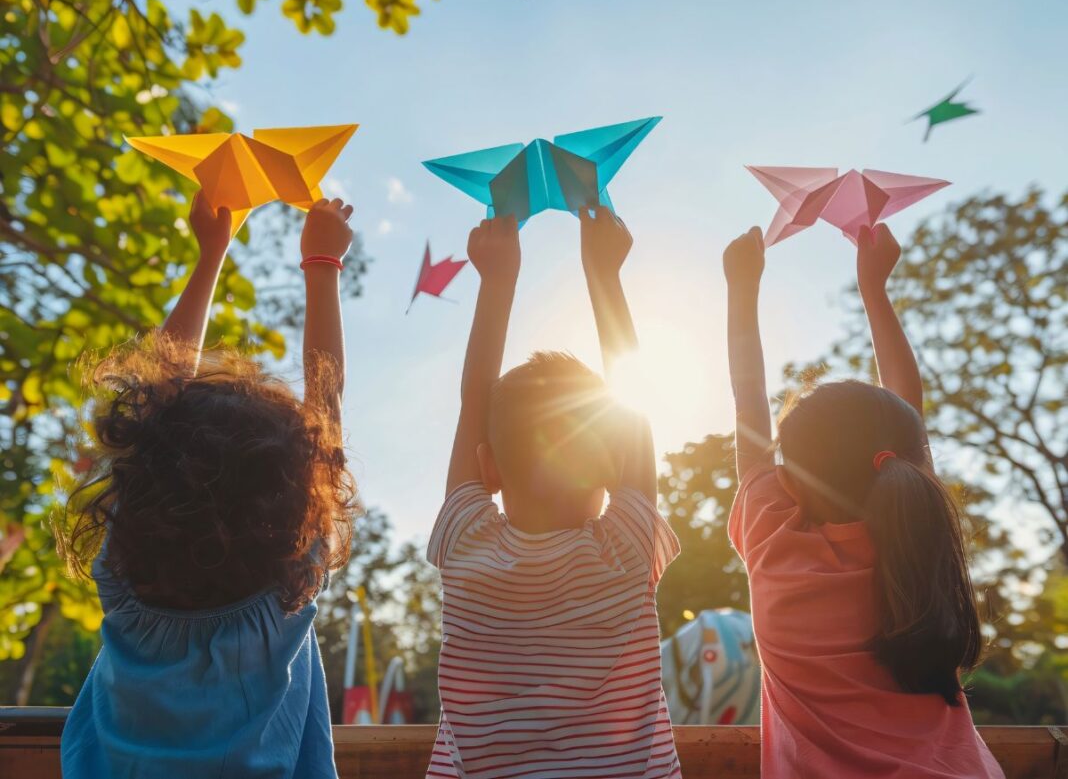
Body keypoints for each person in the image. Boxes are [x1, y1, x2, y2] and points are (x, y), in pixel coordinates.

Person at [57, 194, 359, 779]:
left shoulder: (120, 579)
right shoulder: (284, 593)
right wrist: (322, 265)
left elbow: (154, 397)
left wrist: (210, 254)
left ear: (146, 476)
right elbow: (328, 409)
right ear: (297, 491)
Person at [722, 223, 1004, 778]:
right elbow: (905, 422)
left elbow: (748, 402)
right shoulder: (920, 542)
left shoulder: (775, 547)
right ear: (903, 458)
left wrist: (742, 289)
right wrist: (874, 287)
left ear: (794, 483)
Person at [425, 208, 681, 778]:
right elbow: (634, 400)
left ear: (486, 468)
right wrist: (604, 273)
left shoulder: (466, 545)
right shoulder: (627, 553)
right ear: (613, 463)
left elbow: (473, 404)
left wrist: (496, 281)